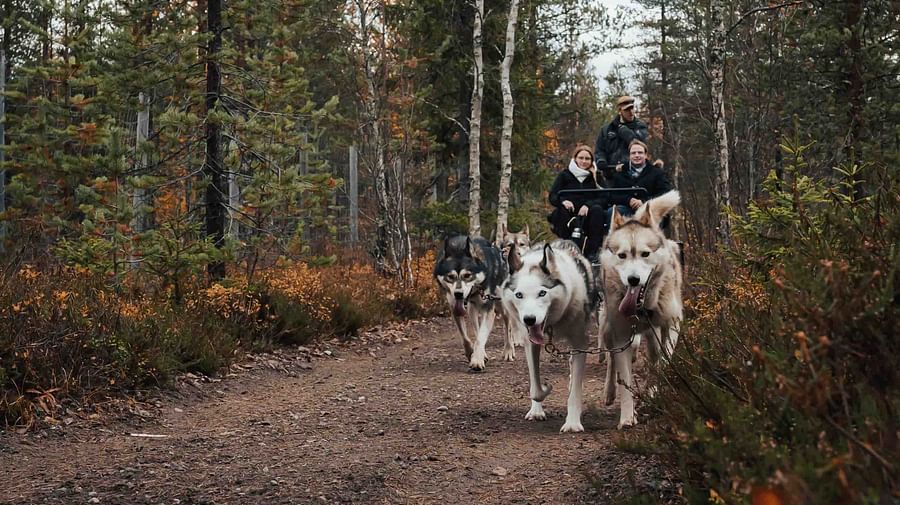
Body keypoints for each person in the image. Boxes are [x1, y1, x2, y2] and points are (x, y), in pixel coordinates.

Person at [548, 144, 608, 261]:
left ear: (591, 161)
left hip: (589, 212)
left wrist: (588, 205)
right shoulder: (565, 175)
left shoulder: (596, 176)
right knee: (561, 212)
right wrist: (563, 201)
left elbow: (604, 197)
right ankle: (566, 247)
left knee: (597, 210)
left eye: (587, 159)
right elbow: (553, 196)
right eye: (581, 158)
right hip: (569, 212)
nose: (584, 161)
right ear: (575, 158)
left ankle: (592, 251)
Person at [604, 139, 672, 222]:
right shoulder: (620, 173)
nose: (637, 155)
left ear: (646, 155)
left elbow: (665, 193)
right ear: (629, 156)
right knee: (612, 213)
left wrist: (643, 201)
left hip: (650, 209)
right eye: (633, 153)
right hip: (626, 209)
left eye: (640, 152)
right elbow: (613, 195)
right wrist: (629, 200)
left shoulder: (656, 173)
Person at [594, 95, 649, 182]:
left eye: (632, 108)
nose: (631, 112)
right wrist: (601, 161)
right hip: (611, 174)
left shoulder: (641, 126)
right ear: (620, 111)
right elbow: (599, 150)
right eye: (627, 110)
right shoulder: (607, 129)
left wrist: (624, 131)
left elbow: (639, 144)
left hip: (633, 174)